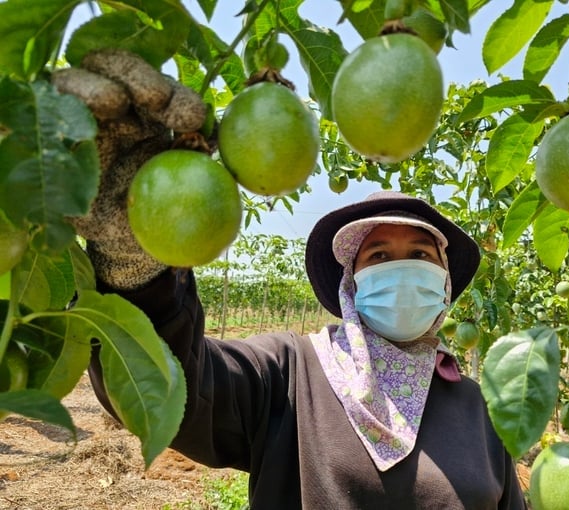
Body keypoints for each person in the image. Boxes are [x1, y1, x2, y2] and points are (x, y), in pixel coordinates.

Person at [56, 49, 527, 509]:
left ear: (444, 283)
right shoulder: (291, 371)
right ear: (351, 282)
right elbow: (170, 390)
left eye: (421, 254)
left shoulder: (481, 409)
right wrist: (134, 266)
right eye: (378, 254)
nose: (401, 268)